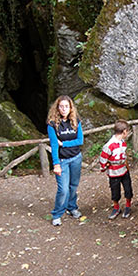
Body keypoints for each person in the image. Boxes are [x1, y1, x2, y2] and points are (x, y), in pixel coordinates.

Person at [47, 95, 84, 226]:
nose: (64, 109)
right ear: (57, 108)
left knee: (73, 186)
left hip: (76, 158)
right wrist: (56, 164)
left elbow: (80, 141)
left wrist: (64, 144)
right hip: (62, 160)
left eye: (66, 106)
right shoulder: (52, 124)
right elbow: (54, 145)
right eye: (61, 106)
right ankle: (57, 213)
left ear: (70, 108)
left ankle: (72, 207)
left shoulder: (76, 121)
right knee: (63, 189)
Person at [99, 119, 133, 219]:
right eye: (127, 131)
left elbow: (124, 155)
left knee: (128, 189)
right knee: (115, 190)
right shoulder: (109, 145)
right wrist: (104, 167)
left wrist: (126, 165)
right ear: (124, 132)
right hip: (114, 172)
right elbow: (103, 158)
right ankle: (116, 207)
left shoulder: (123, 142)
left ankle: (128, 206)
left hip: (124, 169)